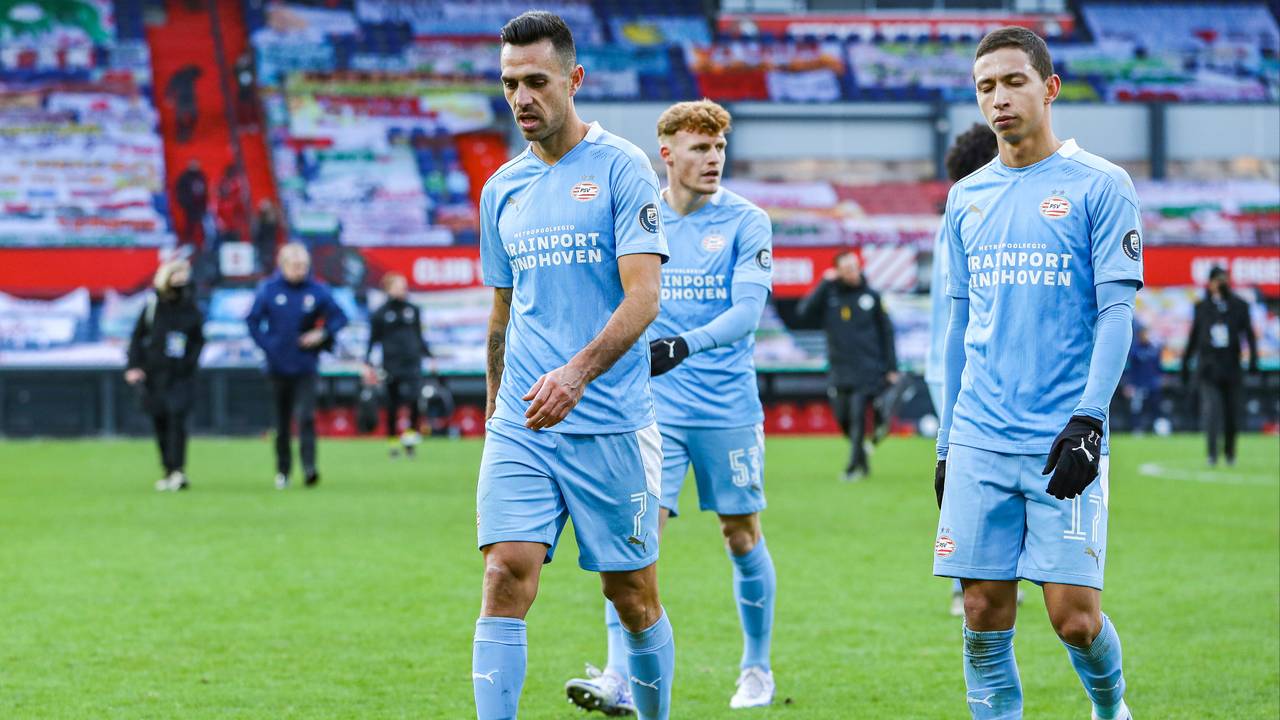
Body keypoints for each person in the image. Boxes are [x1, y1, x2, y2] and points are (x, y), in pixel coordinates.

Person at [933, 27, 1142, 720]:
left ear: (1048, 88)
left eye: (1014, 81)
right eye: (986, 86)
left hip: (1063, 437)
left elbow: (1116, 314)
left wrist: (1090, 419)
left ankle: (1111, 710)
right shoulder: (967, 197)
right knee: (982, 612)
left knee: (1074, 618)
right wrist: (945, 443)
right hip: (979, 438)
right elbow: (958, 326)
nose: (1000, 98)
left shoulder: (1101, 185)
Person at [472, 12, 673, 720]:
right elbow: (502, 312)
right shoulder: (501, 189)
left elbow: (644, 297)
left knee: (632, 594)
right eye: (508, 84)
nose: (521, 97)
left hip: (608, 422)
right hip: (522, 425)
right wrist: (498, 407)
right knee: (504, 576)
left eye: (535, 81)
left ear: (574, 80)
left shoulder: (621, 167)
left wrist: (577, 374)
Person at [565, 100, 776, 714]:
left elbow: (747, 313)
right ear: (668, 154)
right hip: (651, 411)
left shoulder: (746, 220)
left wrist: (684, 343)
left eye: (718, 149)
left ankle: (756, 668)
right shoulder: (641, 216)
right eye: (699, 149)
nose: (712, 160)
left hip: (725, 409)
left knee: (740, 535)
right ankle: (617, 676)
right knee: (635, 540)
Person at [926, 122, 999, 617]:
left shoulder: (951, 222)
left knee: (965, 474)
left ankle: (970, 578)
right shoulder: (972, 218)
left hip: (941, 363)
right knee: (971, 474)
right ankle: (968, 580)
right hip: (967, 363)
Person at [246, 243, 348, 489]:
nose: (299, 270)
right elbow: (252, 320)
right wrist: (269, 346)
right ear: (283, 265)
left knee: (306, 418)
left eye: (303, 265)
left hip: (306, 366)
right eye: (294, 265)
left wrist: (321, 334)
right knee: (281, 423)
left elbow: (340, 317)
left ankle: (309, 468)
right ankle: (283, 471)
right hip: (277, 367)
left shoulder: (317, 290)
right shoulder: (269, 290)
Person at [796, 251, 898, 481]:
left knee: (858, 417)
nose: (852, 272)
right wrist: (823, 283)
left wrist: (891, 367)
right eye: (847, 268)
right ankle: (863, 459)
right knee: (843, 418)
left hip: (867, 370)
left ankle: (853, 468)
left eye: (854, 267)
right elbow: (803, 313)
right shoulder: (830, 295)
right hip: (839, 370)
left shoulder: (872, 297)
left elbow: (887, 333)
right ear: (838, 272)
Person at [125, 258, 204, 491]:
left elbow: (198, 340)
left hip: (180, 375)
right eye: (175, 274)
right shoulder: (152, 306)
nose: (180, 279)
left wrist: (189, 363)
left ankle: (178, 469)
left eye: (183, 274)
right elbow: (137, 338)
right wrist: (134, 366)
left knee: (177, 419)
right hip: (154, 374)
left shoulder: (191, 307)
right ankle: (168, 469)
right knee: (160, 421)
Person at [1181, 266, 1259, 466]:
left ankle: (1230, 452)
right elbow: (1194, 337)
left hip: (1232, 367)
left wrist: (1253, 361)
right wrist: (1185, 363)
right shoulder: (1202, 307)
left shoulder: (1239, 306)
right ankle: (1212, 454)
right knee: (1212, 412)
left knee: (1232, 413)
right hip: (1209, 368)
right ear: (1210, 282)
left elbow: (1249, 335)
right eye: (1217, 279)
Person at [363, 272, 431, 458]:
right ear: (388, 289)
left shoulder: (413, 310)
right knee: (392, 405)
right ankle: (393, 442)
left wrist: (430, 357)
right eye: (399, 286)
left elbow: (419, 336)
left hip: (413, 364)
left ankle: (409, 439)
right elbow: (372, 340)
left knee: (415, 400)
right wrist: (367, 363)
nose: (403, 289)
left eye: (404, 285)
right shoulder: (380, 313)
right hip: (391, 365)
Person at [1123, 326, 1163, 434]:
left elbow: (1158, 367)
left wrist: (1159, 380)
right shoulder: (1135, 349)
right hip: (1138, 385)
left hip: (1152, 385)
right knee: (1137, 408)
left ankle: (1157, 428)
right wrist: (1129, 384)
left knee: (1155, 407)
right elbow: (1130, 369)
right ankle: (1137, 428)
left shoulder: (1154, 349)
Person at [174, 160, 208, 248]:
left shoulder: (201, 176)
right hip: (188, 206)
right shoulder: (184, 177)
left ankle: (202, 244)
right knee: (189, 225)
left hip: (199, 206)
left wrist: (204, 205)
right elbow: (179, 190)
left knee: (201, 226)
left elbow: (204, 191)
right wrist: (184, 202)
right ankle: (188, 242)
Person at [165, 64, 201, 143]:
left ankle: (186, 132)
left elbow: (199, 72)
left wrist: (191, 69)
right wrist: (168, 96)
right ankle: (181, 135)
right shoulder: (177, 76)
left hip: (190, 98)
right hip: (181, 99)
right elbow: (170, 86)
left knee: (194, 117)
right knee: (180, 118)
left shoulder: (190, 74)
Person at [251, 199, 281, 274]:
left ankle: (268, 272)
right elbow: (257, 230)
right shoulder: (260, 216)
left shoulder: (272, 217)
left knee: (268, 259)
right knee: (261, 259)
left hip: (268, 241)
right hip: (261, 241)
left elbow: (273, 226)